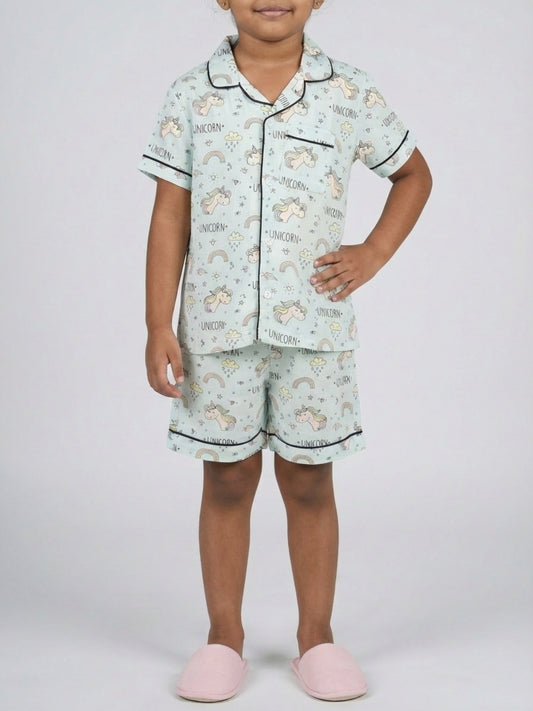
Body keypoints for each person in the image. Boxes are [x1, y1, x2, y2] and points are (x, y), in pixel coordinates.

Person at [137, 0, 432, 702]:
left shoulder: (349, 91)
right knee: (227, 480)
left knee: (308, 481)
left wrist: (372, 252)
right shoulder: (191, 94)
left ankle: (317, 638)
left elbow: (413, 175)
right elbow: (169, 213)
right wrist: (157, 323)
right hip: (217, 334)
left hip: (314, 335)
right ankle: (223, 638)